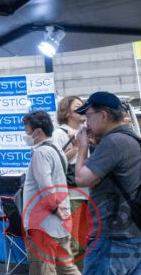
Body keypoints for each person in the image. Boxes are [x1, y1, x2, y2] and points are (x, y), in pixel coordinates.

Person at [75, 91, 141, 275]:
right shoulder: (132, 138)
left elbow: (81, 179)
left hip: (110, 239)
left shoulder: (113, 142)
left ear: (103, 115)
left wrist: (82, 147)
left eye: (88, 116)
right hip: (135, 236)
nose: (86, 123)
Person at [22, 110, 80, 275]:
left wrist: (55, 208)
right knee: (65, 268)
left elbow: (45, 185)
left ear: (37, 131)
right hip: (59, 222)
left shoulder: (41, 153)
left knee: (43, 269)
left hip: (43, 224)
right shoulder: (56, 149)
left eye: (27, 129)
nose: (25, 134)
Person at [56, 96, 88, 270]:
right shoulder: (60, 133)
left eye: (83, 106)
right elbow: (55, 161)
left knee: (83, 242)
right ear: (66, 111)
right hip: (71, 196)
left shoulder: (86, 131)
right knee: (73, 244)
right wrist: (76, 147)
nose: (82, 109)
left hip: (88, 194)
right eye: (77, 106)